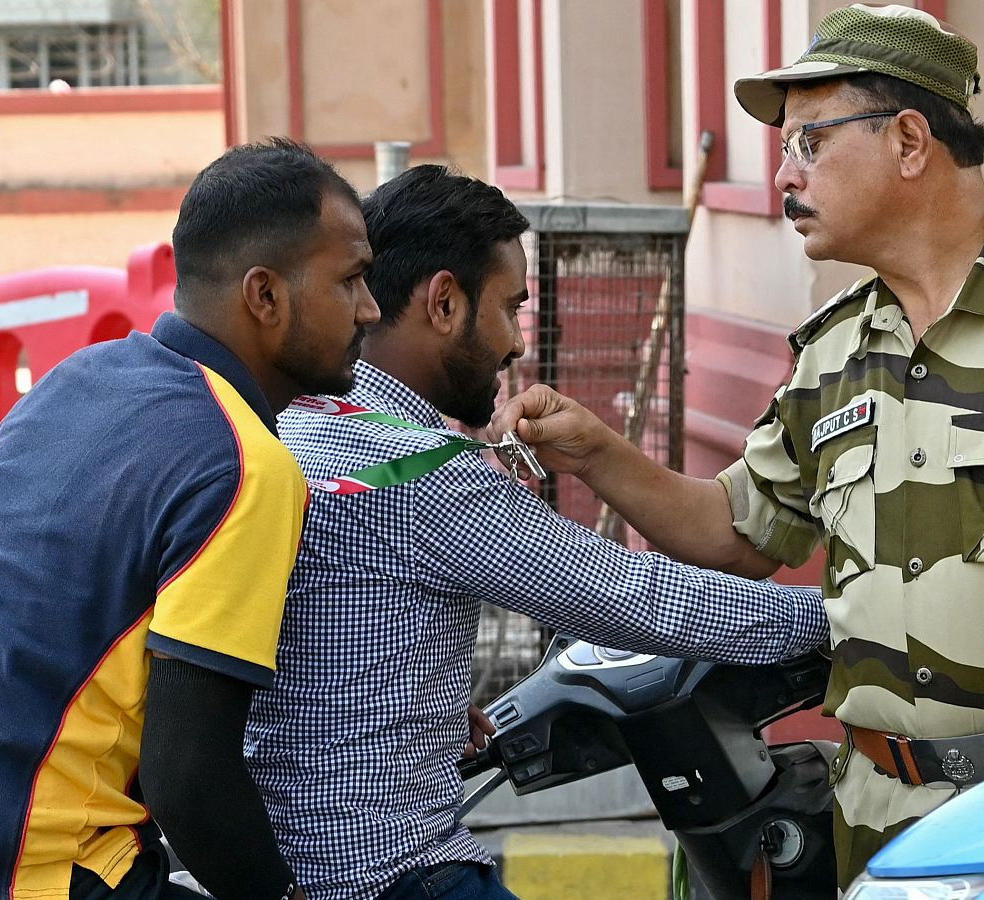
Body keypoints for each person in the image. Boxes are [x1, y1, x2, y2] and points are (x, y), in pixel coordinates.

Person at [491, 3, 984, 881]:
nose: (783, 176)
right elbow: (737, 533)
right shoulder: (833, 352)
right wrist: (596, 452)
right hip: (882, 826)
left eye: (808, 142)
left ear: (911, 141)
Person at [242, 164, 828, 900]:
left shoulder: (301, 425)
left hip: (292, 852)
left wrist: (424, 700)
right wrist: (851, 623)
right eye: (511, 308)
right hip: (392, 871)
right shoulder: (421, 473)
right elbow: (638, 598)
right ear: (445, 302)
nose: (517, 343)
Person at [0, 138, 380, 899]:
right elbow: (189, 776)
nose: (370, 309)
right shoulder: (245, 463)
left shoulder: (82, 378)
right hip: (39, 864)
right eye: (352, 279)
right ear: (266, 296)